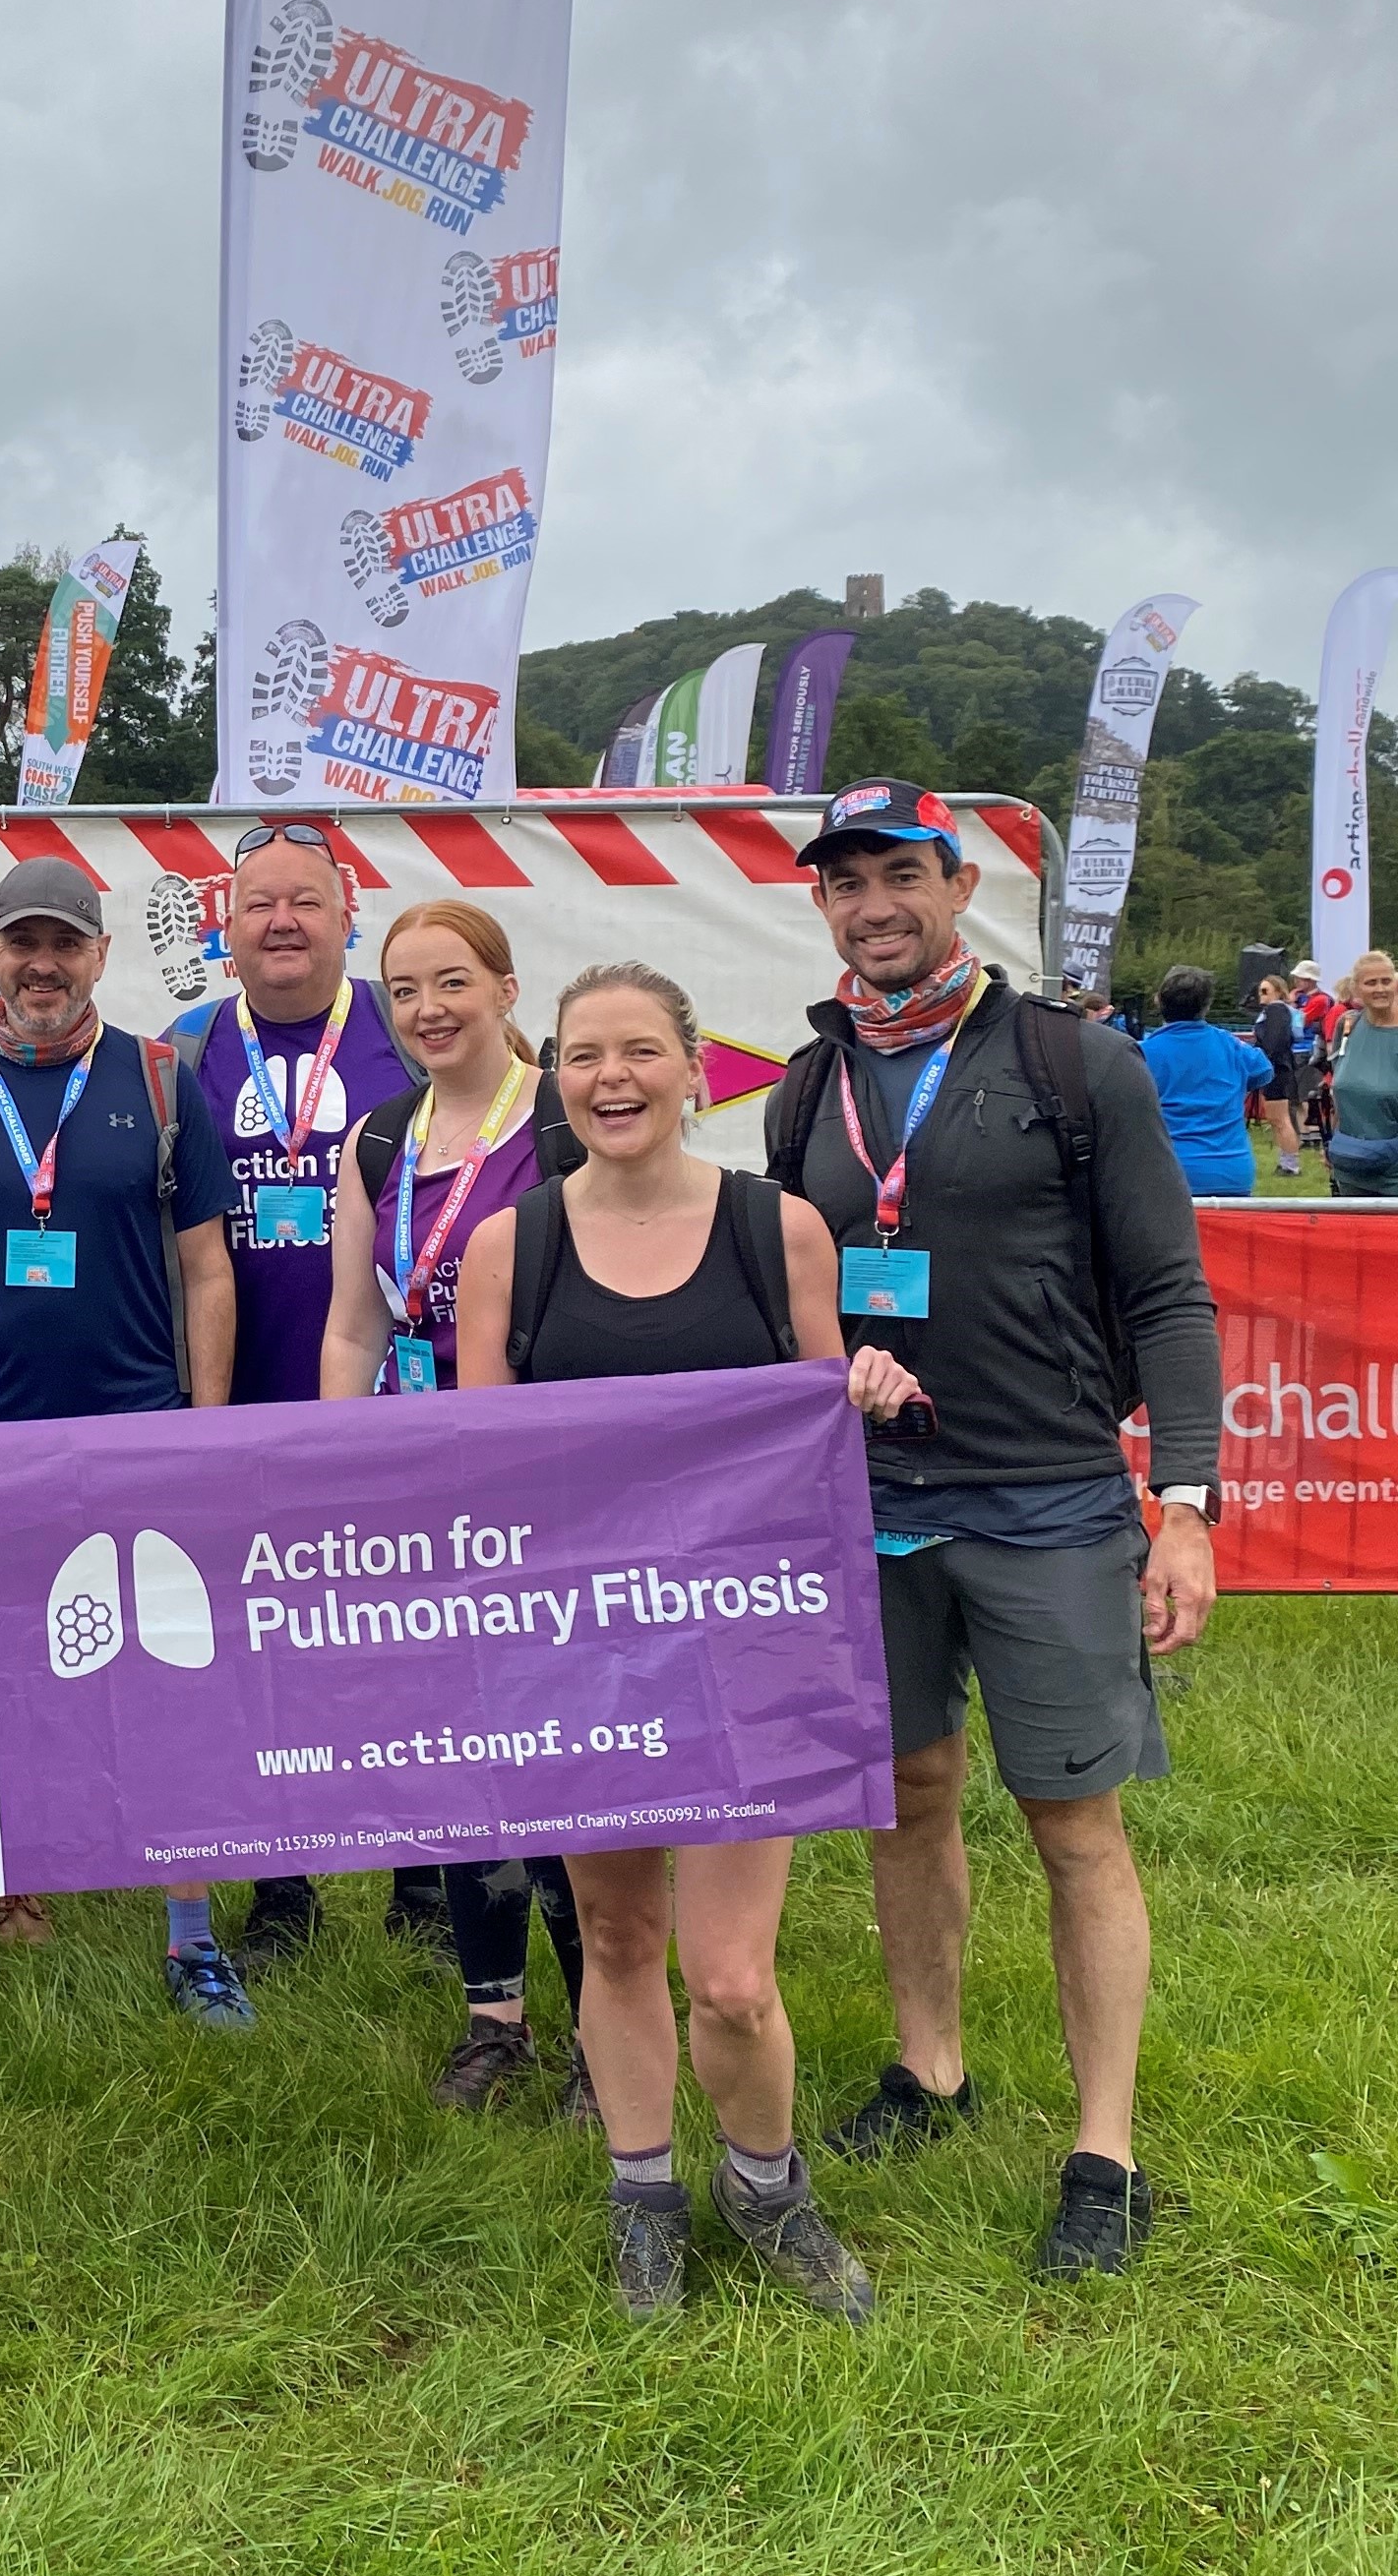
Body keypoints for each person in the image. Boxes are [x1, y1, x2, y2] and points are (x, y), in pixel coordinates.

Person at [764, 783, 1223, 2280]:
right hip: (872, 1505)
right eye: (846, 883)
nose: (874, 906)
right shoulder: (805, 1087)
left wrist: (1187, 1505)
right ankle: (932, 2068)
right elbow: (788, 1294)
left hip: (1048, 1500)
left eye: (901, 874)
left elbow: (1168, 1290)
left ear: (960, 887)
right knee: (906, 1795)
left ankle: (1107, 2153)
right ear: (822, 905)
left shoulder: (1074, 1062)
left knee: (1073, 1823)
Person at [459, 965, 921, 2322]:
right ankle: (643, 2195)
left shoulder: (777, 1230)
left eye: (641, 1052)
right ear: (556, 1077)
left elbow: (816, 1427)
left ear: (694, 1069)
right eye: (584, 1056)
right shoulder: (512, 1248)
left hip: (745, 1650)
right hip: (582, 1654)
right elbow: (475, 1467)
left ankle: (768, 2187)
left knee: (729, 1977)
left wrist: (862, 1388)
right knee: (615, 1938)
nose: (612, 1079)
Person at [0, 856, 247, 2030]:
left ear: (99, 956)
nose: (42, 966)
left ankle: (192, 1942)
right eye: (22, 943)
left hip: (134, 1439)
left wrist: (204, 1436)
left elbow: (206, 1269)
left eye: (64, 944)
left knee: (166, 1694)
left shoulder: (159, 1079)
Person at [317, 900, 592, 2113]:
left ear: (506, 989)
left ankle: (607, 2031)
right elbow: (352, 1325)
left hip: (548, 1487)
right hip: (417, 1483)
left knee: (566, 1761)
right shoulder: (379, 1137)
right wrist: (336, 1478)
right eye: (405, 990)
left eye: (452, 983)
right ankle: (495, 2023)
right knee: (463, 1751)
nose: (428, 1010)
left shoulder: (568, 1121)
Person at [169, 820, 415, 1981]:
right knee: (257, 1649)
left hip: (397, 1406)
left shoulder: (408, 1032)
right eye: (258, 903)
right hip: (243, 1402)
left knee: (409, 1641)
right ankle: (282, 1884)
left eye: (306, 901)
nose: (281, 922)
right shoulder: (181, 1051)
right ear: (224, 926)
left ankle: (430, 1874)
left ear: (347, 917)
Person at [1139, 964, 1265, 1198]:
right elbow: (1263, 1071)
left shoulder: (1141, 1054)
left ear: (1158, 1000)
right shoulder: (1230, 1045)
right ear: (1207, 1005)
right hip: (1231, 1169)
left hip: (1168, 1170)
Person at [1325, 949, 1398, 1193]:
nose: (1380, 989)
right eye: (1371, 982)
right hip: (1350, 1167)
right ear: (1356, 988)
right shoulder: (1347, 1025)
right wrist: (1334, 1146)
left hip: (1393, 1176)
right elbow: (1339, 1091)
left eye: (1386, 981)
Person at [1250, 975, 1307, 1178]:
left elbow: (1275, 1041)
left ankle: (1291, 1164)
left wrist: (1264, 1060)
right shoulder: (1277, 1011)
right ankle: (1286, 1161)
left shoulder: (1276, 1010)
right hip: (1279, 1067)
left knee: (1280, 1118)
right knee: (1277, 1118)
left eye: (1265, 991)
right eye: (1260, 991)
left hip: (1277, 1068)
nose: (1261, 995)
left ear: (1278, 992)